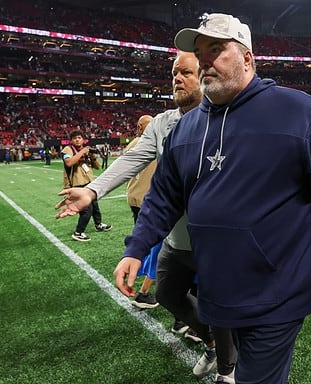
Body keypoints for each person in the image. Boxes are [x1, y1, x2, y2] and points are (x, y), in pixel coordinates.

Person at [114, 13, 311, 384]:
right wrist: (136, 248)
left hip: (278, 292)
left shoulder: (300, 113)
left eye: (216, 50)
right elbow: (164, 196)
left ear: (248, 58)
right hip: (218, 287)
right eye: (201, 53)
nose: (205, 61)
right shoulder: (186, 127)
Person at [56, 52, 237, 383]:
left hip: (213, 239)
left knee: (217, 304)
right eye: (173, 74)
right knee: (167, 294)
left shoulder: (223, 117)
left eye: (185, 72)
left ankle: (228, 370)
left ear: (204, 76)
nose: (177, 79)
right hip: (175, 237)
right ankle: (211, 343)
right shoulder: (162, 123)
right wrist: (93, 190)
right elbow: (133, 159)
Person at [125, 114, 159, 309]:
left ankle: (138, 259)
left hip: (136, 197)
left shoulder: (133, 143)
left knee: (145, 236)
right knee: (157, 244)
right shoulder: (152, 143)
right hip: (149, 199)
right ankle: (144, 290)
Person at [61, 130, 112, 242]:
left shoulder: (87, 150)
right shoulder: (67, 150)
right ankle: (78, 232)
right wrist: (83, 151)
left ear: (83, 139)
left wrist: (92, 156)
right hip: (76, 185)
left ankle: (98, 224)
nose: (77, 140)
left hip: (89, 182)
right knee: (86, 210)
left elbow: (97, 167)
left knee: (95, 206)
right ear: (71, 140)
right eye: (75, 138)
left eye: (79, 137)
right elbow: (69, 163)